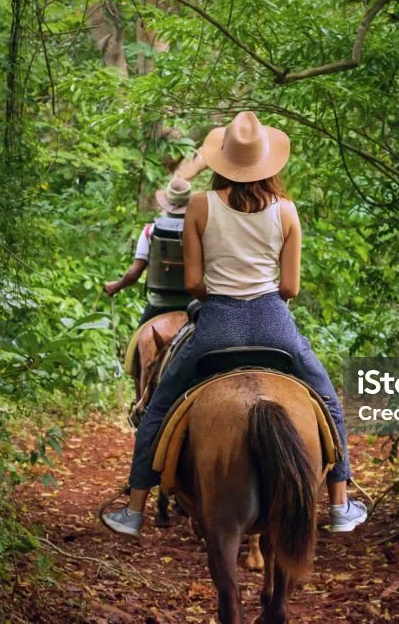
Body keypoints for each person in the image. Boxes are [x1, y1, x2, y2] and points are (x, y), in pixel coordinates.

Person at [101, 111, 367, 537]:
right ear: (267, 162)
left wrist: (222, 296)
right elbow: (290, 287)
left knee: (157, 405)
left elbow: (193, 283)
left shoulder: (200, 206)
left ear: (223, 161)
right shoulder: (286, 210)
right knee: (329, 401)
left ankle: (134, 509)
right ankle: (339, 505)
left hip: (216, 327)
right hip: (274, 324)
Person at [104, 177, 194, 325]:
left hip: (159, 304)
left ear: (167, 201)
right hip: (193, 305)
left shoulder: (150, 230)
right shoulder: (201, 231)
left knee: (137, 339)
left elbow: (134, 274)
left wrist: (117, 286)